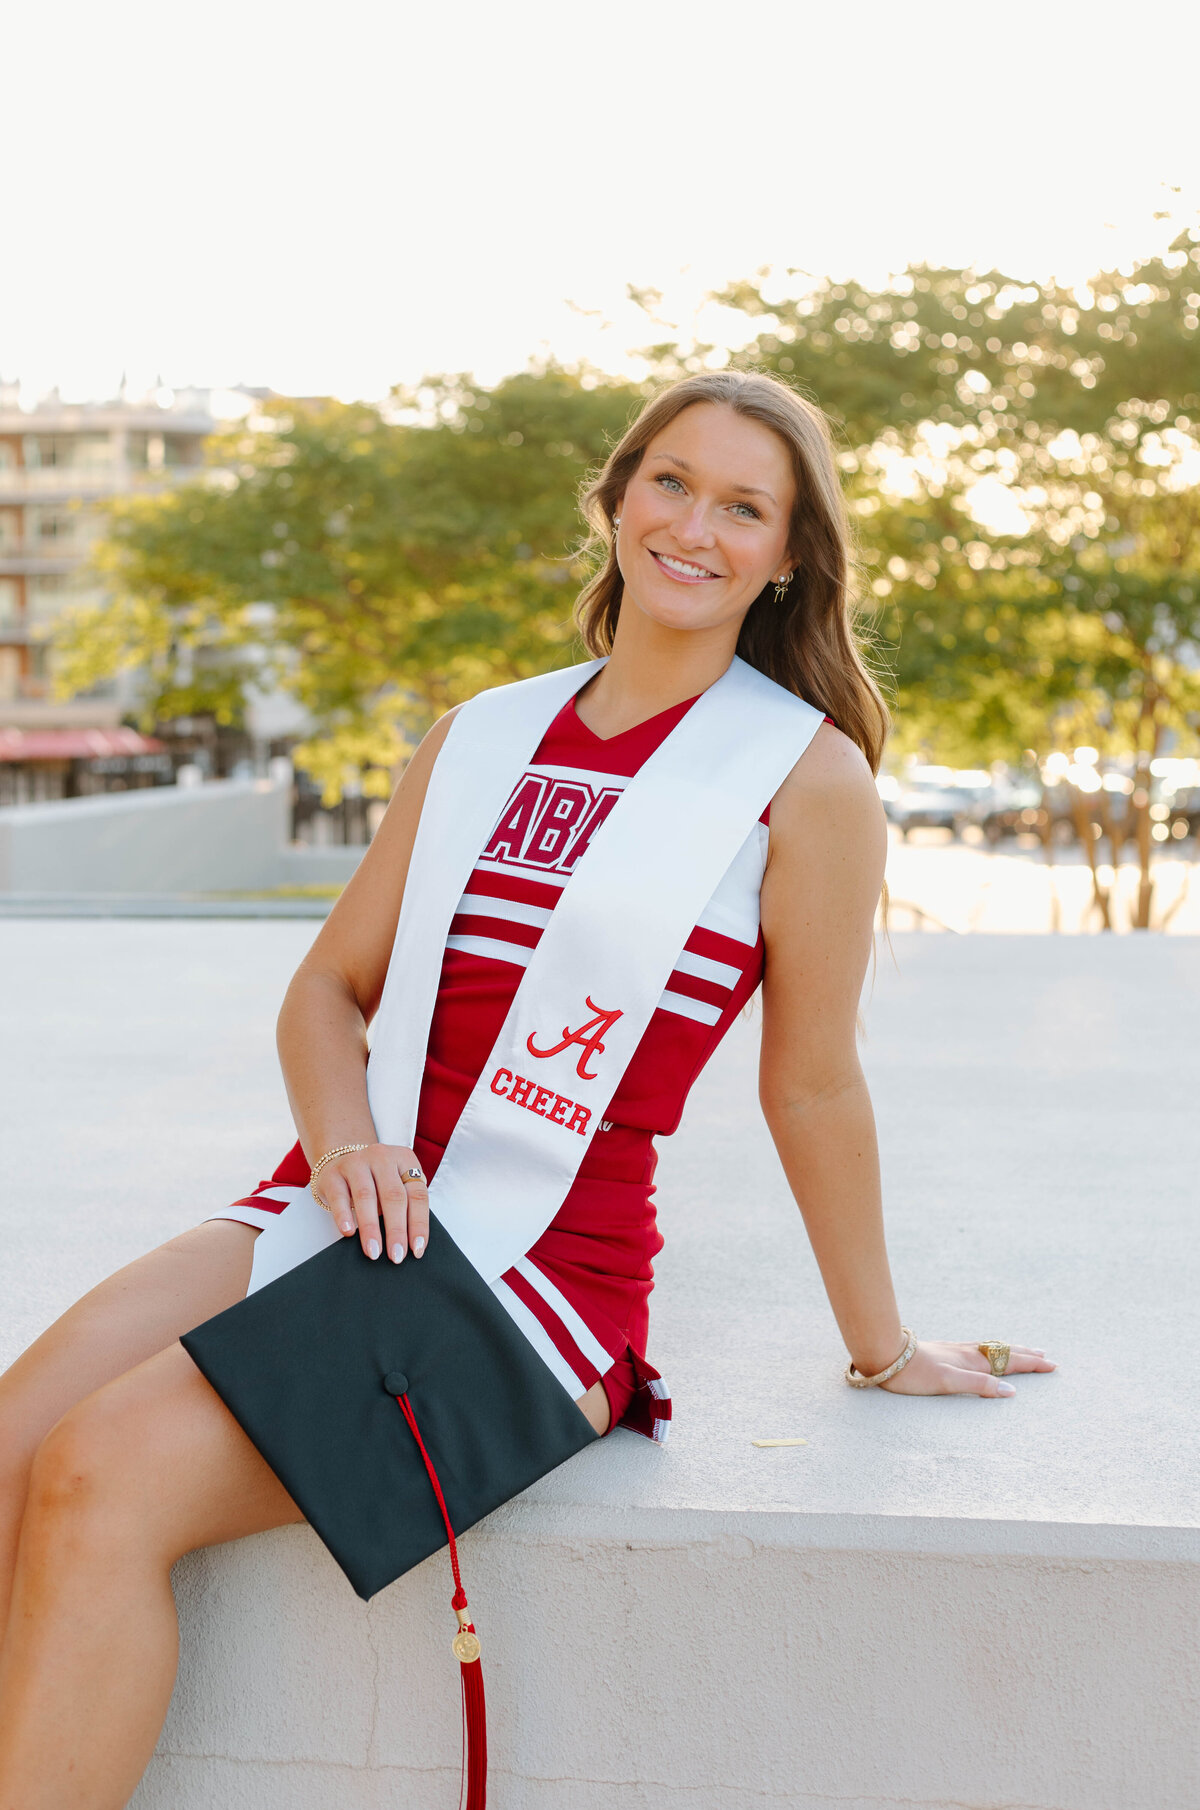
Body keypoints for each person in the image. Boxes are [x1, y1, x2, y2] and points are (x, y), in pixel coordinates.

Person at [0, 370, 1055, 1806]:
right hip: (353, 1199)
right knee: (12, 1440)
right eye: (671, 481)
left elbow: (812, 1089)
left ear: (789, 554)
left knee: (100, 1472)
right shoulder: (485, 734)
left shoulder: (804, 786)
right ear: (618, 496)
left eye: (744, 505)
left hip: (536, 1279)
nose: (695, 524)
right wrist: (347, 1141)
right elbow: (326, 992)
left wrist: (882, 1342)